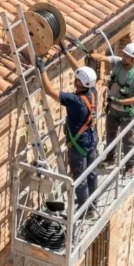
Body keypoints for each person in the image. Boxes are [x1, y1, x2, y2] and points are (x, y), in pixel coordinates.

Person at [40, 43, 98, 216]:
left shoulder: (75, 100)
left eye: (77, 80)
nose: (75, 80)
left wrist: (41, 69)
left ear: (81, 83)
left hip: (78, 146)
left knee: (79, 179)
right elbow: (79, 70)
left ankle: (85, 209)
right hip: (91, 140)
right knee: (92, 173)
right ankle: (93, 204)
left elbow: (49, 91)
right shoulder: (92, 91)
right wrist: (66, 53)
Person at [90, 43, 134, 176]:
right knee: (110, 135)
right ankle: (110, 158)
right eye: (124, 55)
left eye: (128, 56)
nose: (124, 57)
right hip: (113, 109)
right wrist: (91, 55)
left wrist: (121, 101)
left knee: (128, 139)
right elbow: (103, 58)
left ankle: (130, 165)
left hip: (127, 113)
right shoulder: (117, 63)